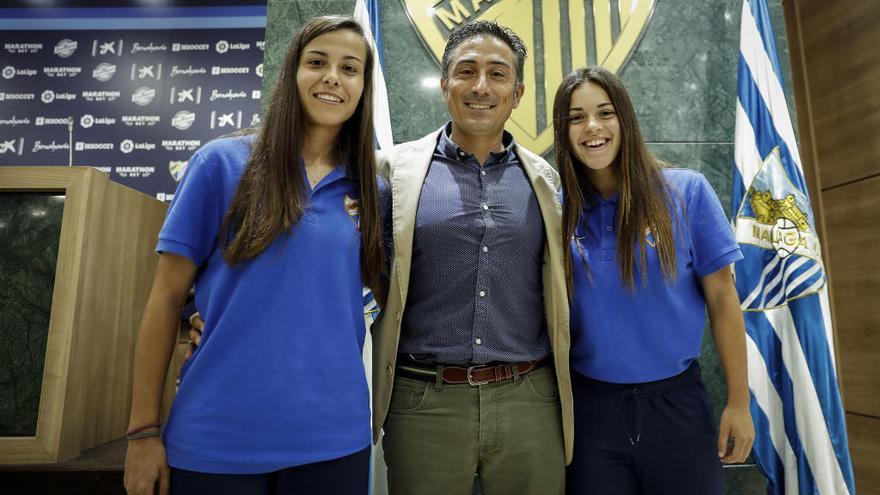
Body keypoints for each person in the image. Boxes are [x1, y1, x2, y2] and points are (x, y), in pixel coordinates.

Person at [123, 15, 385, 495]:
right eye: (317, 62)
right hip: (216, 439)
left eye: (350, 68)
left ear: (364, 87)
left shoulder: (372, 191)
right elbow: (164, 301)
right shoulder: (221, 165)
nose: (332, 77)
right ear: (292, 73)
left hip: (334, 440)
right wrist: (142, 433)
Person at [372, 20, 571, 495]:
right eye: (467, 71)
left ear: (517, 93)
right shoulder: (393, 172)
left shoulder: (546, 180)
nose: (481, 86)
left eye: (498, 74)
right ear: (445, 85)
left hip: (529, 399)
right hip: (423, 401)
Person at [553, 66, 754, 494]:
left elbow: (722, 299)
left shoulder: (686, 192)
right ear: (563, 130)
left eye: (605, 113)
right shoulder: (556, 210)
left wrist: (739, 402)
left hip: (677, 407)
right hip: (591, 414)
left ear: (625, 119)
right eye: (576, 117)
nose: (592, 127)